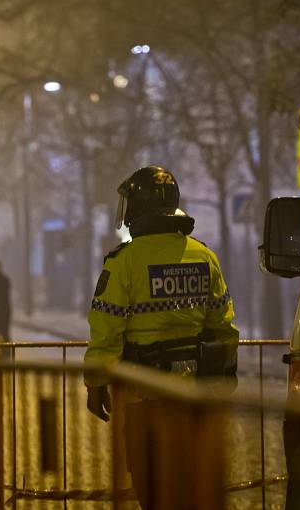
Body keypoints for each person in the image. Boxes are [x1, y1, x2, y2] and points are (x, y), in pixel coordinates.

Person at [83, 166, 239, 508]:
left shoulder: (123, 262)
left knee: (151, 489)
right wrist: (224, 379)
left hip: (144, 397)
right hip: (195, 397)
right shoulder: (205, 256)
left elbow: (106, 329)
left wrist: (96, 383)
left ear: (137, 208)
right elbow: (223, 324)